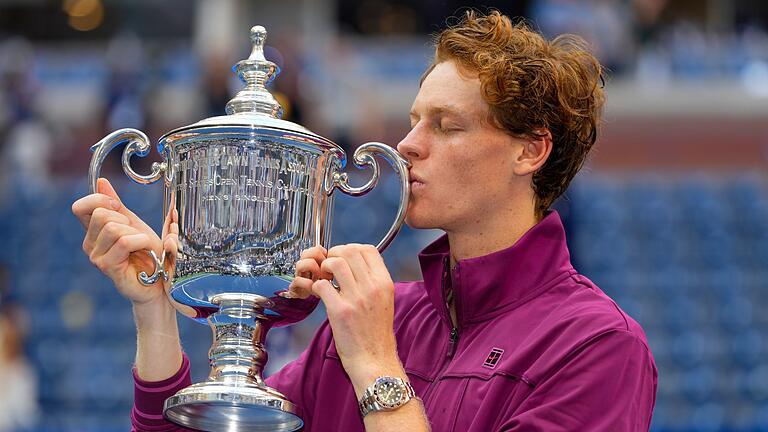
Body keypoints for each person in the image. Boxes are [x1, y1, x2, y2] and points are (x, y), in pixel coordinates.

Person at [72, 10, 657, 432]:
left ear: (530, 151)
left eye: (446, 127)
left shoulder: (597, 347)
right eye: (413, 121)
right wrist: (153, 313)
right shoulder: (370, 320)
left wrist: (377, 366)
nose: (406, 145)